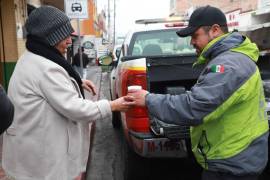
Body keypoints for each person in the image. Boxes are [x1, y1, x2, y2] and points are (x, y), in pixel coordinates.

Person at [128, 5, 269, 180]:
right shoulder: (230, 59)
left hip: (231, 164)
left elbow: (194, 107)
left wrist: (148, 99)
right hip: (238, 156)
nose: (191, 42)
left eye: (195, 36)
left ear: (215, 30)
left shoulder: (228, 65)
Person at [2, 6, 134, 180]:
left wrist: (76, 81)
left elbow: (50, 86)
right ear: (50, 37)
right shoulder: (46, 69)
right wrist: (113, 105)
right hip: (41, 165)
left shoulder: (32, 57)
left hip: (30, 155)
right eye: (64, 35)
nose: (70, 41)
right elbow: (77, 109)